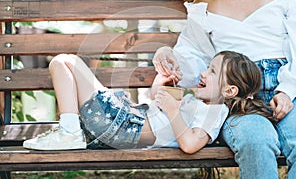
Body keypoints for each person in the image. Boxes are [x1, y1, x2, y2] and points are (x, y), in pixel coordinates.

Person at [153, 0, 296, 178]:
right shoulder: (203, 6)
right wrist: (167, 55)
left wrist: (287, 91)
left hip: (290, 89)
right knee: (255, 141)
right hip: (237, 100)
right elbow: (190, 61)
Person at [23, 51, 266, 154]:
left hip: (122, 125)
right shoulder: (199, 103)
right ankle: (70, 130)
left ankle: (69, 131)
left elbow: (190, 144)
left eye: (212, 71)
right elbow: (156, 105)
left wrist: (173, 110)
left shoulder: (215, 112)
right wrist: (162, 83)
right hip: (123, 121)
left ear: (230, 90)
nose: (203, 73)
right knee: (65, 61)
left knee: (64, 62)